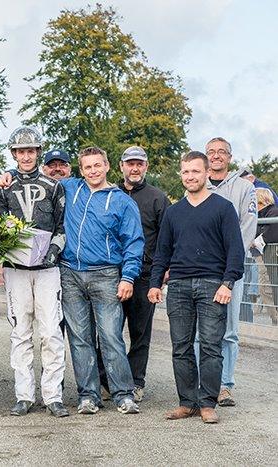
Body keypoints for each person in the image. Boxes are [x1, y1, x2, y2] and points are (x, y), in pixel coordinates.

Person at [149, 150, 244, 424]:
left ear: (206, 174)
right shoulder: (173, 212)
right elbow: (162, 252)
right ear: (182, 175)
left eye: (195, 171)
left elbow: (235, 251)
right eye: (186, 172)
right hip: (178, 286)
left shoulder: (223, 208)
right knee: (180, 346)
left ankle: (207, 403)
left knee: (211, 347)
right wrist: (156, 283)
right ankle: (187, 402)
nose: (190, 176)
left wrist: (228, 283)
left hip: (213, 285)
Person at [58, 147, 144, 415]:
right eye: (87, 167)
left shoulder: (122, 201)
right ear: (80, 170)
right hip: (70, 273)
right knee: (80, 338)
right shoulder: (70, 189)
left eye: (98, 165)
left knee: (110, 336)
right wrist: (7, 177)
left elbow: (134, 242)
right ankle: (88, 396)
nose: (93, 171)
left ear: (107, 166)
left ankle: (123, 394)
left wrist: (128, 276)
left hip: (106, 274)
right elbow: (37, 176)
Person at [0, 126, 68, 417]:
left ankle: (53, 396)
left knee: (51, 332)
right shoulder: (4, 186)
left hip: (48, 270)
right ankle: (24, 395)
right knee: (20, 333)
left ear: (38, 153)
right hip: (16, 270)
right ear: (14, 154)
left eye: (31, 151)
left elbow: (61, 227)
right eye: (21, 151)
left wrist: (53, 251)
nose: (26, 156)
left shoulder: (53, 186)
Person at [97, 146, 170, 403]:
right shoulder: (108, 193)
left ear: (146, 167)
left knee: (140, 332)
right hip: (110, 272)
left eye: (139, 164)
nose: (135, 168)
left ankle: (135, 381)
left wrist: (164, 270)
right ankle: (106, 380)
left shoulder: (157, 198)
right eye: (130, 164)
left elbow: (167, 237)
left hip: (144, 275)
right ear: (121, 166)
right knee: (107, 330)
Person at [203, 137, 257, 407]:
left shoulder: (244, 188)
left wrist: (230, 266)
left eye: (221, 152)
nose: (216, 156)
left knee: (229, 330)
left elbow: (247, 229)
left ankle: (225, 385)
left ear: (230, 157)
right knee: (201, 330)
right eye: (211, 152)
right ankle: (204, 383)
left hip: (231, 269)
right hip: (202, 270)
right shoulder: (197, 183)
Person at [254, 188, 278, 324]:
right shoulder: (265, 213)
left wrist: (256, 241)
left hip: (270, 255)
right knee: (266, 287)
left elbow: (272, 233)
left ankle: (276, 318)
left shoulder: (272, 212)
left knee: (267, 287)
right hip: (265, 255)